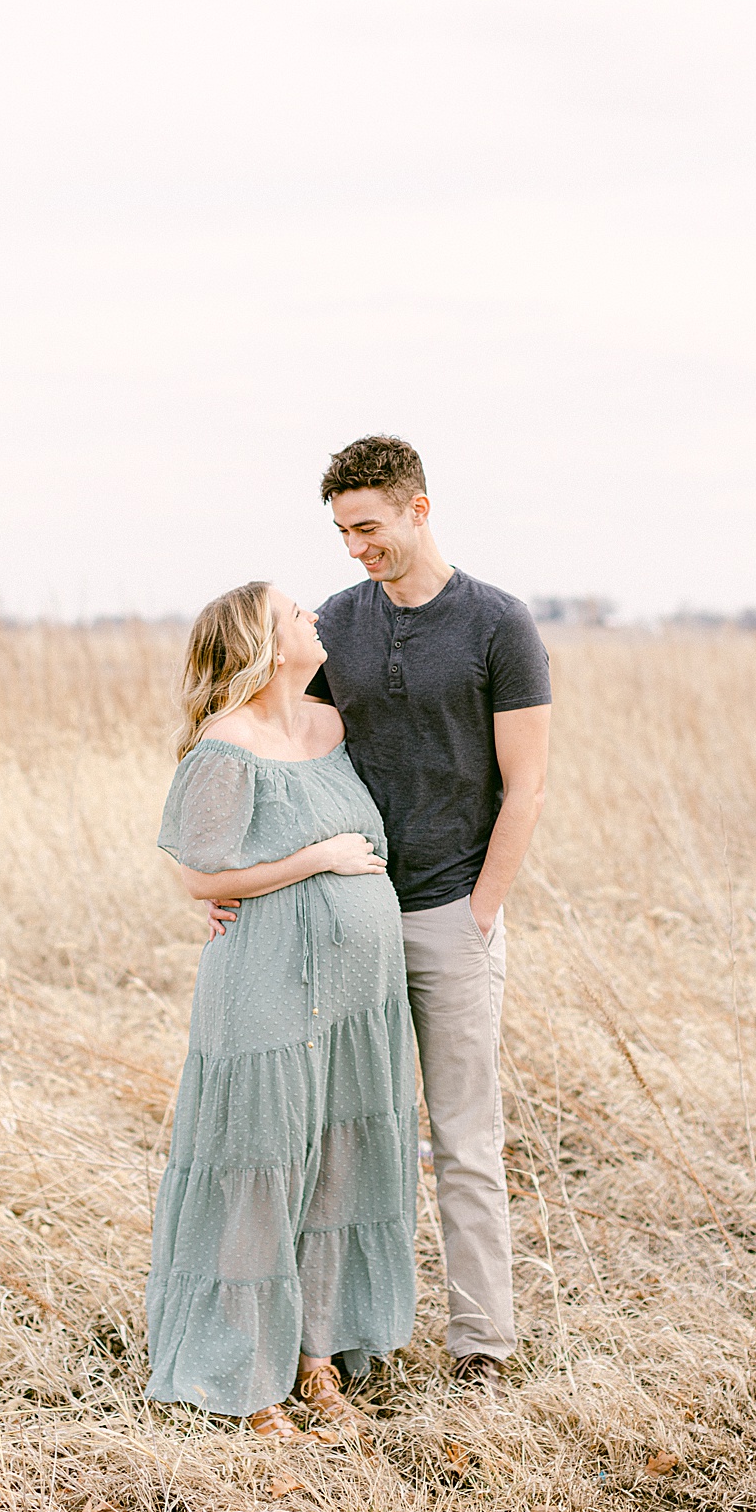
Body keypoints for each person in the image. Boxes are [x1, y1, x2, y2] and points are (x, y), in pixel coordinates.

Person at [209, 437, 551, 1398]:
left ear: (419, 509)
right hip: (335, 923)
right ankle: (337, 1343)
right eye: (342, 531)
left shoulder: (499, 625)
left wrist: (481, 913)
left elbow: (526, 787)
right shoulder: (336, 628)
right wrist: (239, 883)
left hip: (449, 912)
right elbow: (277, 748)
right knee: (344, 1134)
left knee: (466, 1139)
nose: (355, 547)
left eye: (369, 526)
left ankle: (483, 1346)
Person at [146, 580, 417, 1442]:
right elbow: (201, 874)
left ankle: (316, 1357)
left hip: (357, 999)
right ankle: (245, 1372)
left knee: (339, 1162)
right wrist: (317, 860)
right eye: (296, 613)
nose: (314, 619)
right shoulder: (227, 746)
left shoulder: (332, 728)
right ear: (263, 643)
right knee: (259, 1165)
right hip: (266, 986)